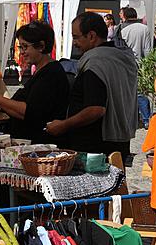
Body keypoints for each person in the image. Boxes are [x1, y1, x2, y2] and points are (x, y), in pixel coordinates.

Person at [46, 12, 138, 159]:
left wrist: (63, 125)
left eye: (76, 37)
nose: (74, 43)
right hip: (118, 140)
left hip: (95, 145)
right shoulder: (120, 57)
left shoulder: (95, 63)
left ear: (91, 36)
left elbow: (95, 109)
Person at [0, 20, 69, 144]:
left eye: (25, 47)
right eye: (21, 47)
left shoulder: (50, 74)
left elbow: (30, 112)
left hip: (38, 145)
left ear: (41, 46)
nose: (22, 52)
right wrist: (5, 107)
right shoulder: (42, 71)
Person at [117, 6, 153, 129]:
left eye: (121, 13)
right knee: (141, 92)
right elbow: (148, 50)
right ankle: (146, 119)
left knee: (128, 92)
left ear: (125, 15)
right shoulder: (144, 28)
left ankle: (132, 119)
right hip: (141, 63)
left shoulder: (122, 30)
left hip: (126, 64)